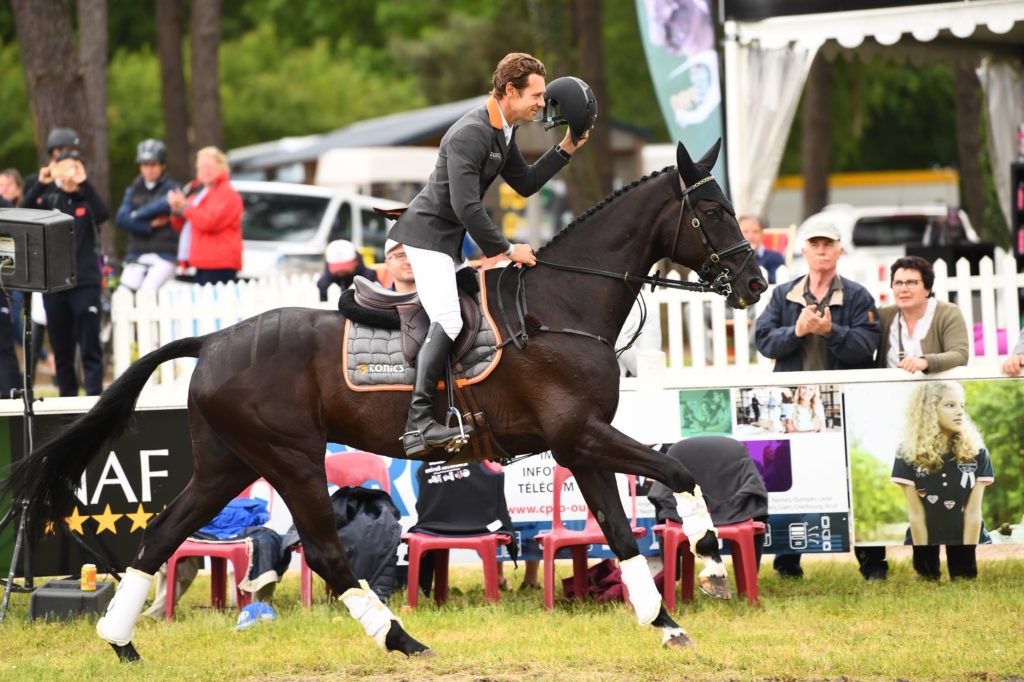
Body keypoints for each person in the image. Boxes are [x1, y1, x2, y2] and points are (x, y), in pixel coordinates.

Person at [387, 52, 589, 456]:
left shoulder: (504, 129)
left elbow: (527, 182)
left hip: (446, 242)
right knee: (447, 318)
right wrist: (506, 249)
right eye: (535, 95)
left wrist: (566, 147)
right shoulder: (472, 133)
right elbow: (467, 207)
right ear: (510, 90)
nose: (540, 104)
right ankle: (418, 425)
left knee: (473, 316)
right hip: (427, 239)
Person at [755, 220, 880, 578]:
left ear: (840, 250)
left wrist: (830, 331)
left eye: (829, 244)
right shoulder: (783, 295)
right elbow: (763, 341)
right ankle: (787, 563)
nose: (822, 250)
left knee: (856, 483)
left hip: (844, 405)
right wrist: (796, 331)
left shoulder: (857, 296)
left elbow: (866, 347)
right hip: (793, 407)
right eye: (815, 244)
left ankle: (873, 564)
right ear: (804, 251)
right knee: (790, 483)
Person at [855, 256, 971, 580]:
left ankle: (963, 570)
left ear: (927, 287)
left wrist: (925, 361)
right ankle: (926, 570)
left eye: (911, 282)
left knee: (946, 488)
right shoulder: (885, 317)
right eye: (898, 283)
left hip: (940, 411)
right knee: (918, 488)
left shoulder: (947, 313)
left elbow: (960, 353)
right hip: (898, 415)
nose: (903, 289)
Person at [21, 149, 109, 396]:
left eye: (74, 168)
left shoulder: (87, 200)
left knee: (90, 347)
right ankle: (68, 408)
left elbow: (104, 214)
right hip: (56, 285)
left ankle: (93, 402)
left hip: (86, 283)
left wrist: (84, 182)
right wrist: (40, 184)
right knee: (62, 352)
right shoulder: (50, 201)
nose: (69, 175)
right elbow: (23, 213)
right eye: (64, 168)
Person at [891, 381, 994, 580]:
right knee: (926, 580)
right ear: (929, 410)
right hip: (924, 535)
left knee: (965, 579)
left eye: (962, 405)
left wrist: (966, 570)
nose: (960, 412)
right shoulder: (907, 453)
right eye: (950, 405)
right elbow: (916, 512)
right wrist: (926, 572)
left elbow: (973, 512)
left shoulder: (978, 452)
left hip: (966, 534)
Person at [167, 146, 243, 285]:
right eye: (200, 166)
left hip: (219, 262)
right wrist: (176, 209)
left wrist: (184, 206)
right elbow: (182, 224)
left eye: (208, 166)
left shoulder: (227, 194)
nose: (204, 170)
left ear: (221, 167)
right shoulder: (201, 192)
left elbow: (208, 222)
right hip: (203, 261)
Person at [115, 139, 181, 292]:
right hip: (137, 253)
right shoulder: (133, 190)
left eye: (153, 165)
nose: (149, 170)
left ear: (162, 165)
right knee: (123, 292)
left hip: (165, 254)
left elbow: (163, 204)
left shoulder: (173, 188)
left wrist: (136, 214)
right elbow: (121, 220)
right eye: (145, 165)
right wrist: (149, 225)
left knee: (147, 291)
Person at [739, 215, 785, 284]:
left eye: (755, 232)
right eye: (745, 231)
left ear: (762, 234)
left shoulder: (774, 257)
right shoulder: (730, 259)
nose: (750, 236)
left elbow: (774, 283)